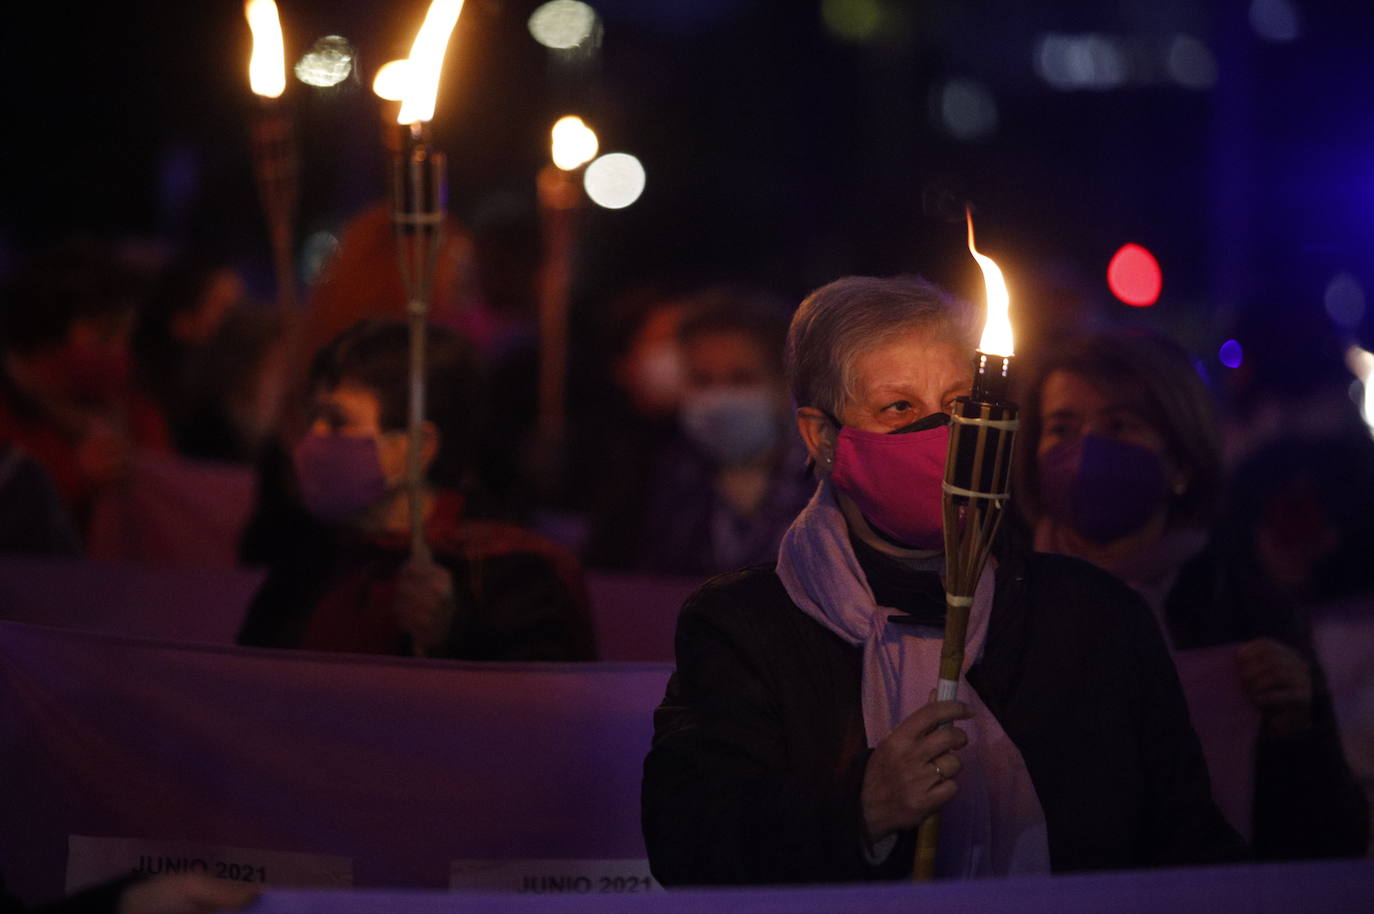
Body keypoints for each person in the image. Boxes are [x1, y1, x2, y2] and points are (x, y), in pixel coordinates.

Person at [642, 276, 1243, 885]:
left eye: (959, 406)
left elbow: (1186, 846)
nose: (942, 436)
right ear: (823, 438)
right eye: (899, 408)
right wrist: (861, 808)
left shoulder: (1096, 616)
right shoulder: (744, 626)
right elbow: (689, 845)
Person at [1014, 329, 1368, 860]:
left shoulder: (1248, 605)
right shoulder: (1002, 597)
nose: (1087, 448)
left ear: (1180, 460)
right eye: (1062, 427)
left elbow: (1332, 838)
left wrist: (1295, 727)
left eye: (1119, 425)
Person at [237, 318, 594, 661]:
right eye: (311, 418)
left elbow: (538, 709)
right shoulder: (310, 556)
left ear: (418, 448)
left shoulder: (513, 574)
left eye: (336, 421)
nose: (312, 439)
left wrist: (454, 635)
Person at [636, 287, 813, 576]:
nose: (719, 399)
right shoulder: (667, 479)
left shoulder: (826, 487)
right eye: (703, 380)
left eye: (741, 379)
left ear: (784, 385)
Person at [0, 243, 171, 537]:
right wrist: (73, 478)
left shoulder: (134, 409)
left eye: (125, 337)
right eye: (104, 337)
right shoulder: (9, 421)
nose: (120, 353)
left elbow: (168, 486)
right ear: (43, 340)